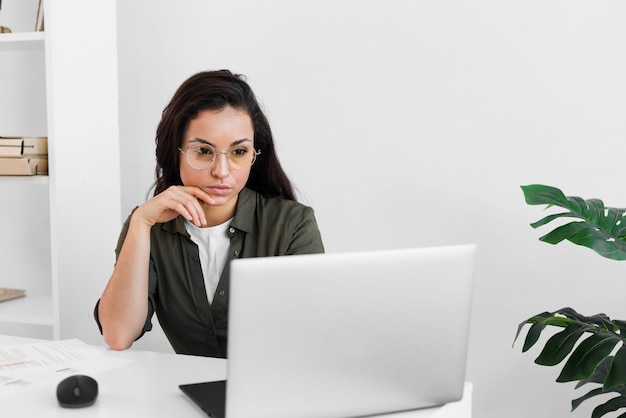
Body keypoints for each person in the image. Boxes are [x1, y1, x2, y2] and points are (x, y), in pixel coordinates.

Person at [94, 70, 325, 358]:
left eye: (239, 152)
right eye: (203, 151)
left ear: (254, 154)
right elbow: (117, 335)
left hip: (276, 391)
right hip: (187, 395)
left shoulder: (293, 225)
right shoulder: (147, 225)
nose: (221, 171)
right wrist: (140, 223)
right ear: (174, 152)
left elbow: (312, 339)